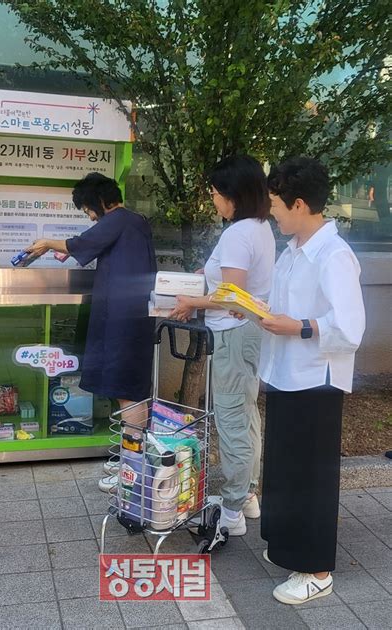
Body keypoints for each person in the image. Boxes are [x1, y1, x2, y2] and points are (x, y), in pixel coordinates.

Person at [258, 157, 365, 604]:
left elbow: (350, 327)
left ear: (300, 204)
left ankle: (316, 569)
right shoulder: (293, 249)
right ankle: (287, 545)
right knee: (284, 470)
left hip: (315, 381)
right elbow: (280, 304)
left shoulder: (334, 255)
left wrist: (299, 326)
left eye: (276, 206)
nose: (272, 214)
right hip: (286, 374)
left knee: (310, 477)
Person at [26, 174, 157, 489]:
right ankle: (131, 462)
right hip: (131, 319)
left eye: (88, 210)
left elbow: (81, 242)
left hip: (123, 324)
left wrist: (46, 243)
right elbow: (91, 245)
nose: (90, 216)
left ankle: (134, 471)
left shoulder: (119, 219)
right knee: (128, 391)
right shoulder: (133, 223)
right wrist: (70, 251)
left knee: (128, 393)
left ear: (101, 202)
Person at [171, 155, 276, 535]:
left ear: (233, 195)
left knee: (232, 417)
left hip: (233, 334)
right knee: (247, 414)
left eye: (215, 193)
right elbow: (235, 284)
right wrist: (207, 275)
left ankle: (231, 512)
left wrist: (191, 302)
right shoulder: (260, 227)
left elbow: (233, 296)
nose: (214, 200)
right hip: (248, 332)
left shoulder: (238, 233)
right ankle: (247, 496)